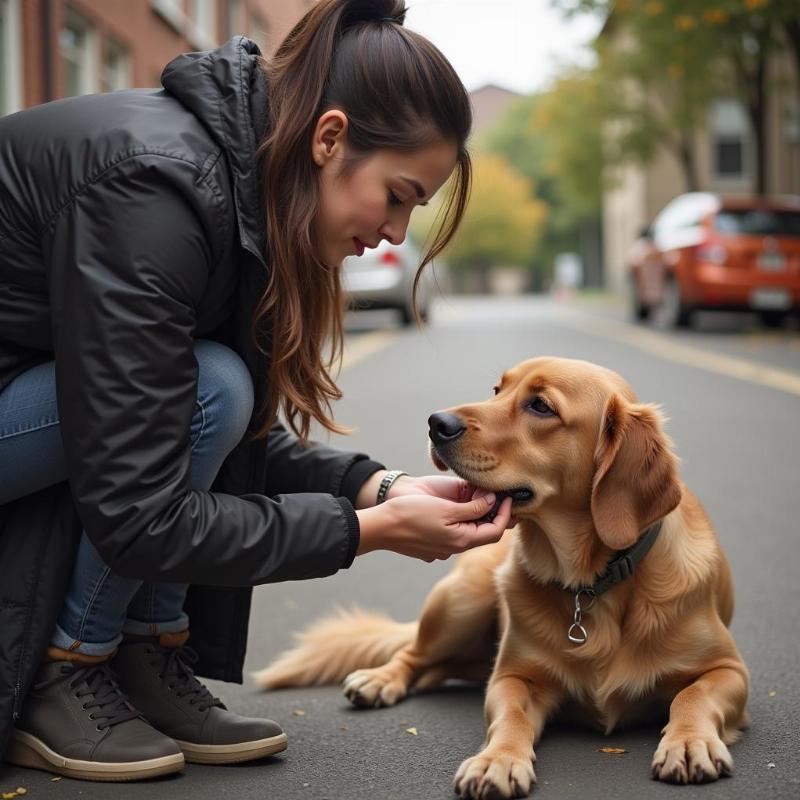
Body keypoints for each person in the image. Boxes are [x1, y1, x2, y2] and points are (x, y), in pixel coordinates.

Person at [0, 0, 513, 783]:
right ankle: (66, 668)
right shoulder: (155, 194)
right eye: (400, 195)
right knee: (213, 387)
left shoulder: (240, 187)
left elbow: (192, 423)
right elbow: (138, 512)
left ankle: (145, 651)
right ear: (330, 137)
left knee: (219, 388)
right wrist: (363, 531)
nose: (398, 234)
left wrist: (379, 487)